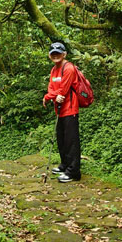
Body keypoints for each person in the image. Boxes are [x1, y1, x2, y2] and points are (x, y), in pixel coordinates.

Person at [43, 41, 81, 182]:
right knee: (61, 139)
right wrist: (52, 95)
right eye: (53, 53)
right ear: (50, 55)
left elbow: (63, 91)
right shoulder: (54, 70)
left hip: (70, 109)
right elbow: (51, 88)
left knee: (71, 141)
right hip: (59, 110)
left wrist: (48, 97)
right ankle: (65, 165)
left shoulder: (69, 68)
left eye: (58, 53)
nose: (56, 55)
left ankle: (73, 172)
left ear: (64, 54)